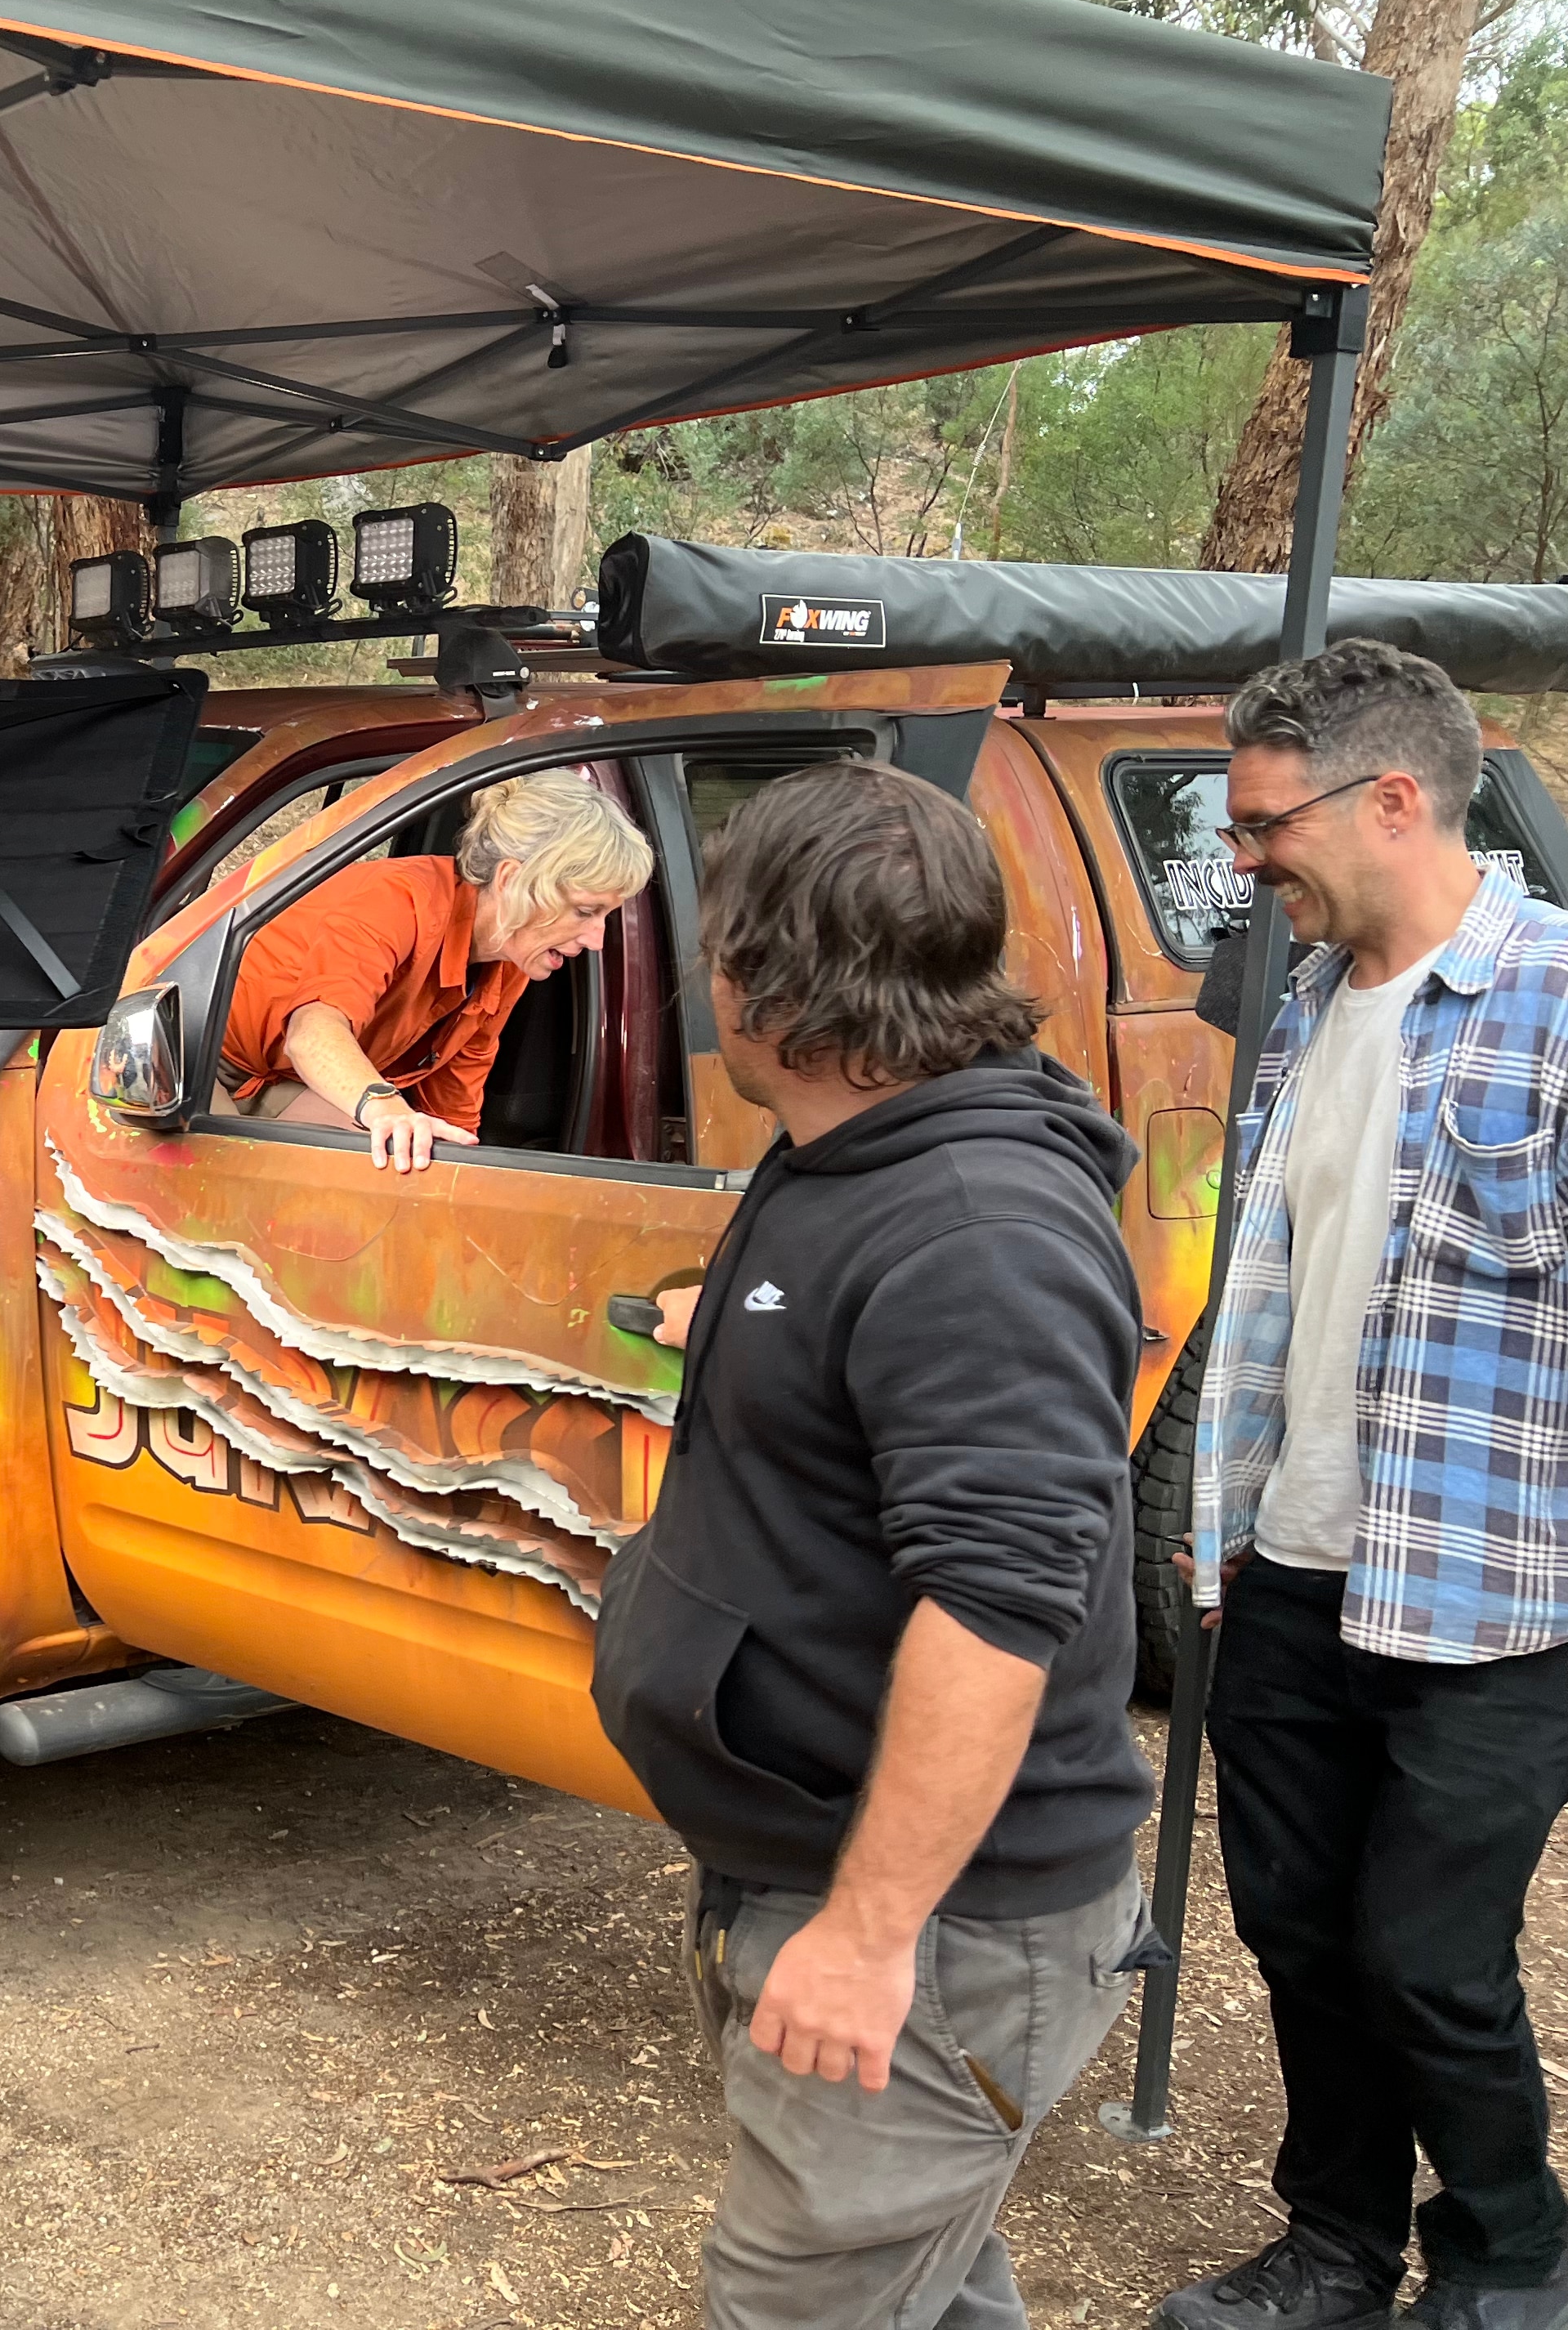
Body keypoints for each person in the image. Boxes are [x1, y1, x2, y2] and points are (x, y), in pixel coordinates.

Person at [590, 758, 1153, 2330]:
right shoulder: (855, 1140)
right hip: (827, 1865)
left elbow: (996, 1606)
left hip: (940, 1923)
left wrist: (866, 1927)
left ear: (760, 978)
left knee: (801, 2303)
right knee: (930, 2283)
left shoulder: (975, 1233)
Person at [1160, 642, 1568, 2330]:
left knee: (1426, 1958)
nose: (1244, 859)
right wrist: (1224, 1535)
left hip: (1495, 1597)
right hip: (1294, 1570)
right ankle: (1337, 2246)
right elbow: (1274, 1298)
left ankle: (1515, 2256)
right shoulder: (1308, 1009)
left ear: (1392, 799)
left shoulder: (1554, 1001)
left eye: (1263, 824)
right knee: (1304, 1941)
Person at [217, 767, 650, 1171]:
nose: (597, 939)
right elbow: (312, 1034)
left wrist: (462, 1175)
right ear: (510, 881)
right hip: (205, 1063)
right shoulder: (398, 901)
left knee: (408, 1167)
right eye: (585, 911)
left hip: (288, 1082)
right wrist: (386, 1107)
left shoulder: (509, 957)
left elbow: (456, 1097)